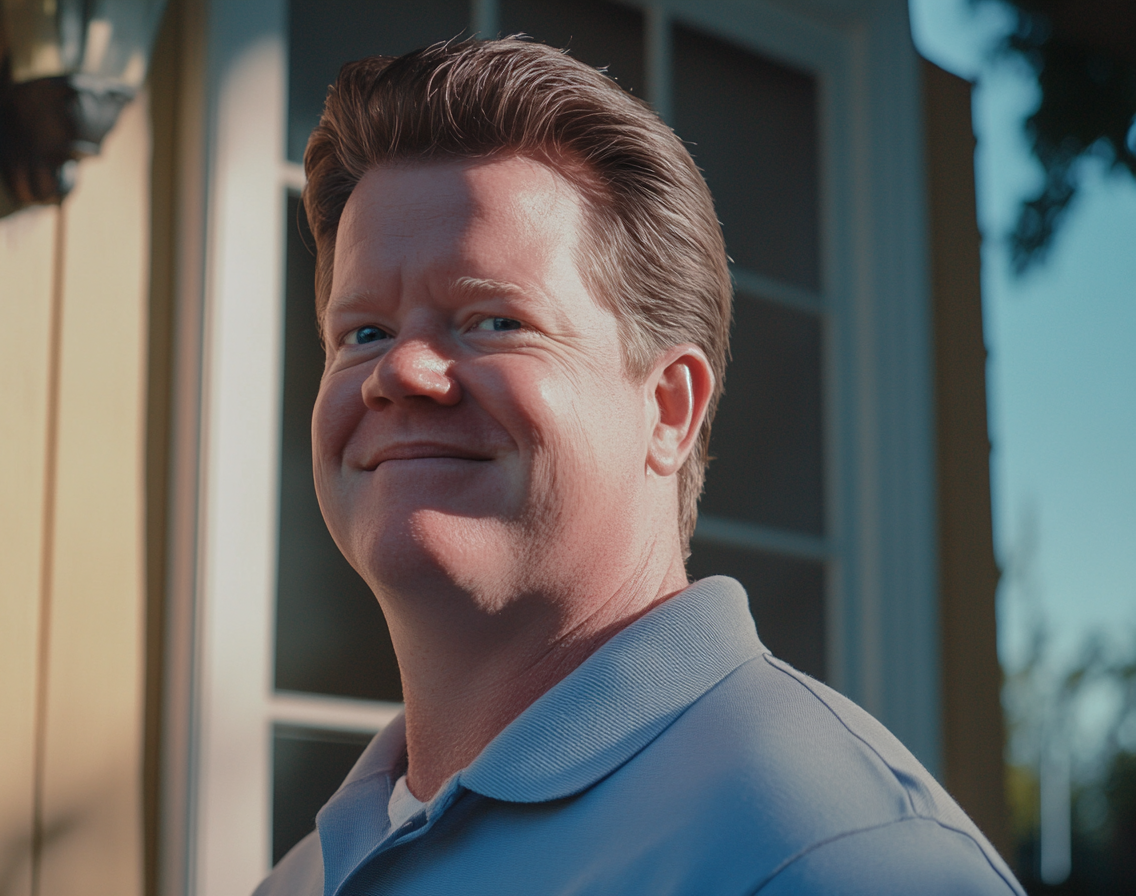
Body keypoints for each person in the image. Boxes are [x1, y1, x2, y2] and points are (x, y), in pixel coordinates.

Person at [257, 37, 1023, 896]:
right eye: (363, 333)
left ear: (669, 408)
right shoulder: (305, 874)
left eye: (491, 320)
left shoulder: (840, 860)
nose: (401, 372)